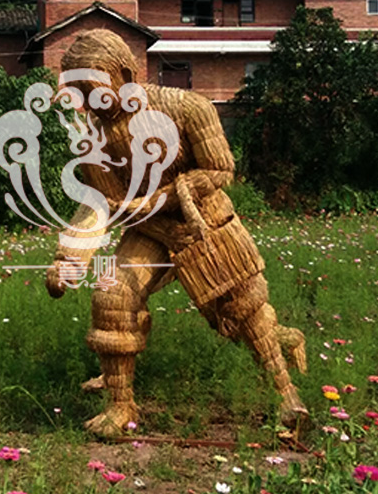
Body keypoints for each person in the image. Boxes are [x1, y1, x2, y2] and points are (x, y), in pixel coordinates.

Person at [45, 29, 307, 436]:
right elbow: (100, 202)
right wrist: (70, 257)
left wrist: (166, 195)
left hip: (204, 223)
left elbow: (220, 169)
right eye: (78, 92)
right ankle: (120, 406)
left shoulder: (186, 108)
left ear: (124, 74)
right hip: (150, 232)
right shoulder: (92, 137)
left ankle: (286, 394)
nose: (87, 102)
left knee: (243, 311)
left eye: (91, 88)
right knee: (112, 296)